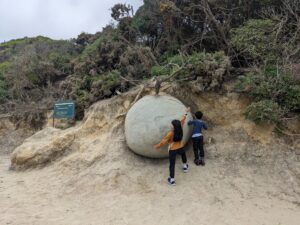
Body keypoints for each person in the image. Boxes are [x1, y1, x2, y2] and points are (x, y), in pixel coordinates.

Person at [154, 108, 190, 186]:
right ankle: (185, 166)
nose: (170, 125)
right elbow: (183, 118)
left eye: (171, 124)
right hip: (180, 146)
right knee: (183, 155)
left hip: (172, 149)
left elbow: (163, 141)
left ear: (173, 126)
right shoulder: (180, 126)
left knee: (172, 164)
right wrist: (186, 112)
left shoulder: (170, 133)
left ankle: (172, 180)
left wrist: (157, 146)